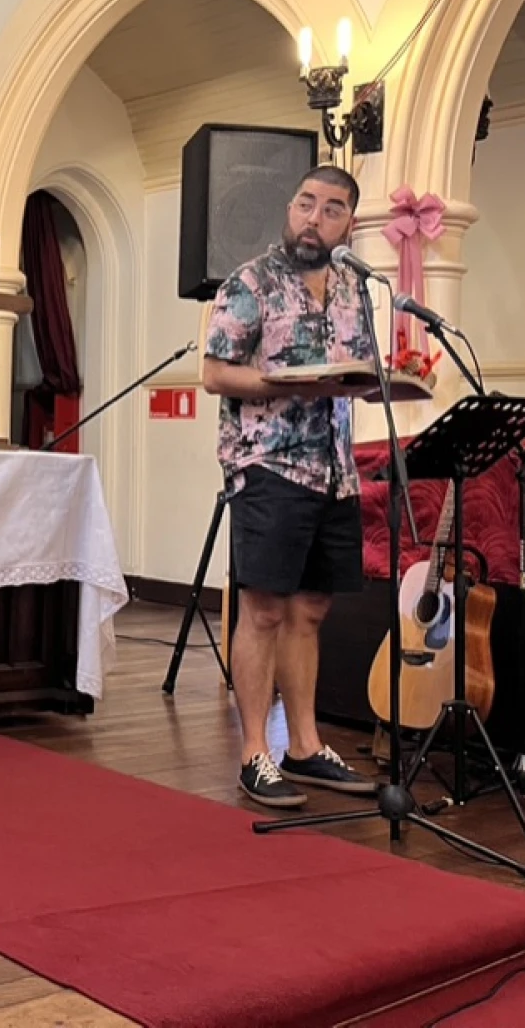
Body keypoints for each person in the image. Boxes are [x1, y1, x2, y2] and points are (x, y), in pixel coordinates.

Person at [201, 164, 379, 810]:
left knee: (310, 612)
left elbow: (355, 371)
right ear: (291, 206)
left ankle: (304, 746)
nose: (314, 217)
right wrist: (285, 386)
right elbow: (216, 373)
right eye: (306, 203)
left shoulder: (357, 292)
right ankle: (255, 751)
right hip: (269, 467)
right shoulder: (251, 283)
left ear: (348, 224)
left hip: (334, 470)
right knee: (265, 611)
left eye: (331, 209)